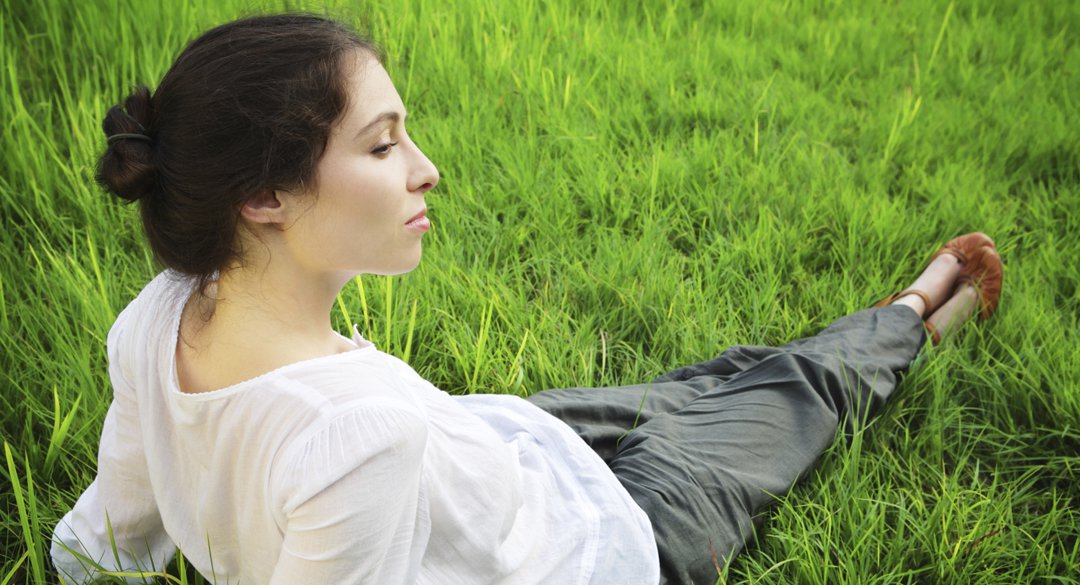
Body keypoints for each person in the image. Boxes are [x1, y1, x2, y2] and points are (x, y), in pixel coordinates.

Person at [50, 13, 1004, 585]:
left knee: (697, 386)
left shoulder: (160, 313)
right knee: (789, 402)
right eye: (382, 147)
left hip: (489, 447)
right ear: (264, 197)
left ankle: (875, 332)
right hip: (611, 547)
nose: (426, 170)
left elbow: (108, 531)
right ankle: (920, 310)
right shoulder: (353, 442)